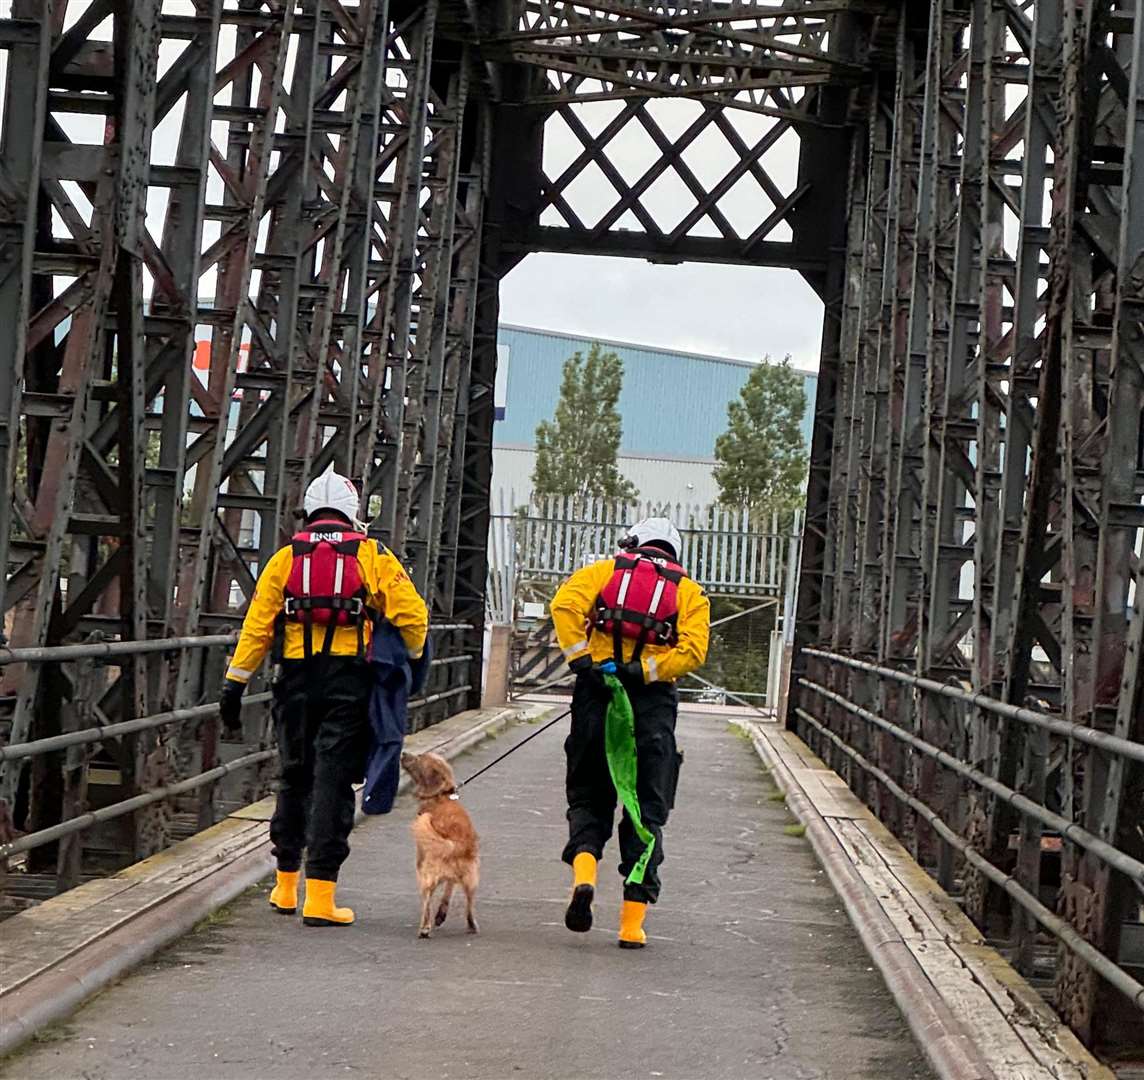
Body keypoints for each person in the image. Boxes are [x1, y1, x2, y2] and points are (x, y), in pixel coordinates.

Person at [218, 471, 428, 927]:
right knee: (333, 781)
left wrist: (234, 685)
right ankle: (321, 896)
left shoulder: (283, 559)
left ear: (309, 512)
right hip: (349, 681)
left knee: (294, 778)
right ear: (354, 514)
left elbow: (256, 628)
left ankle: (285, 887)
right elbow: (413, 616)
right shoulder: (372, 554)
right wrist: (411, 663)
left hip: (294, 679)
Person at [550, 516, 709, 948]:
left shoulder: (603, 572)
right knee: (646, 811)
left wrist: (582, 659)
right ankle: (631, 925)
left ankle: (584, 876)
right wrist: (643, 670)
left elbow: (563, 606)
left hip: (596, 695)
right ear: (673, 554)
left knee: (588, 796)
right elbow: (693, 650)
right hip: (651, 704)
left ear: (633, 543)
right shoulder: (689, 592)